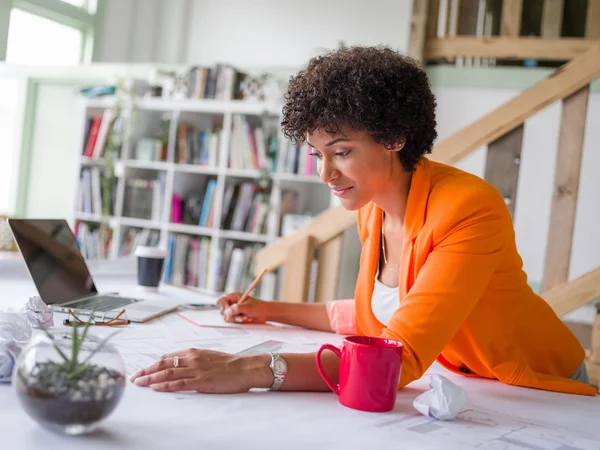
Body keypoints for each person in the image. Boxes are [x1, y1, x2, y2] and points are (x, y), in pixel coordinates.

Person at [130, 46, 596, 396]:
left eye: (342, 152)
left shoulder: (469, 208)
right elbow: (376, 316)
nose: (325, 173)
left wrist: (249, 369)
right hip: (464, 382)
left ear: (394, 136)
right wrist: (272, 311)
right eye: (317, 155)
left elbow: (396, 358)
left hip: (531, 385)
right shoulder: (371, 208)